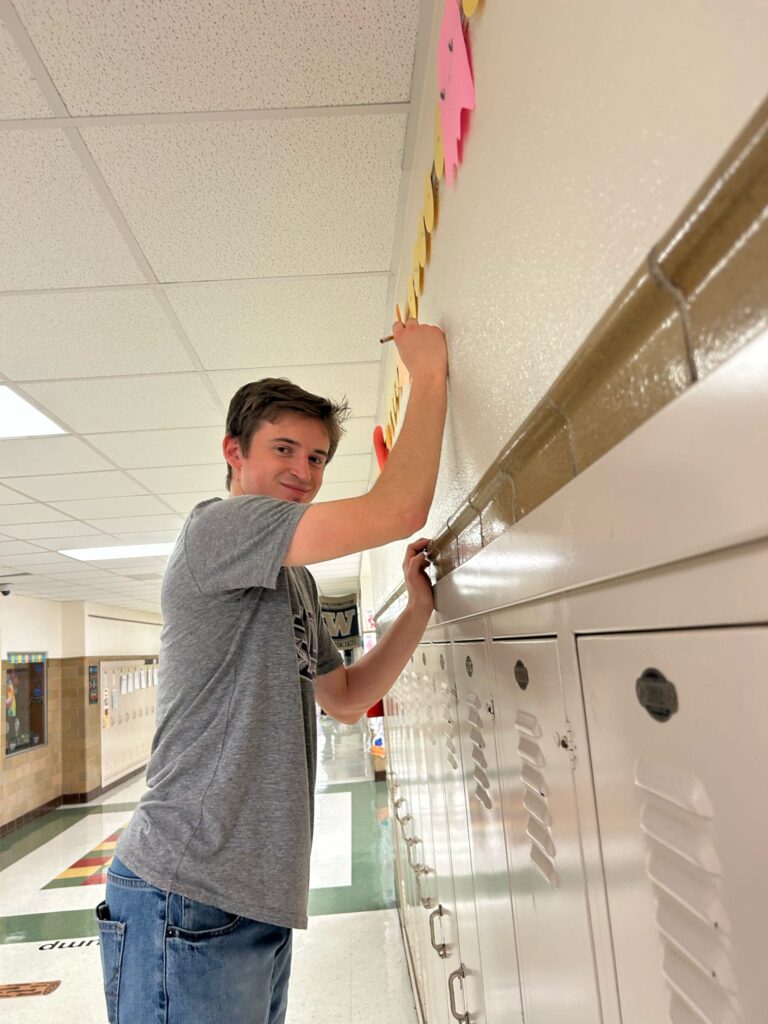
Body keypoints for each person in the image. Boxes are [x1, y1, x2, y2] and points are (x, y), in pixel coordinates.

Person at [95, 316, 448, 1023]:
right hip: (186, 890)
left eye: (318, 458)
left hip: (250, 899)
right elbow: (400, 508)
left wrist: (416, 610)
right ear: (234, 452)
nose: (304, 471)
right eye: (284, 449)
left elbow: (346, 698)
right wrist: (429, 373)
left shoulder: (296, 583)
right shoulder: (218, 528)